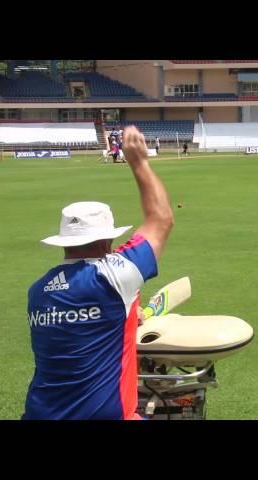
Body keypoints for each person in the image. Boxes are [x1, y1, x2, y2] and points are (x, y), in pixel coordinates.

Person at [23, 126, 174, 420]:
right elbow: (161, 219)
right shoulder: (114, 276)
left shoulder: (37, 291)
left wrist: (125, 315)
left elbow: (79, 330)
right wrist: (138, 161)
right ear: (108, 240)